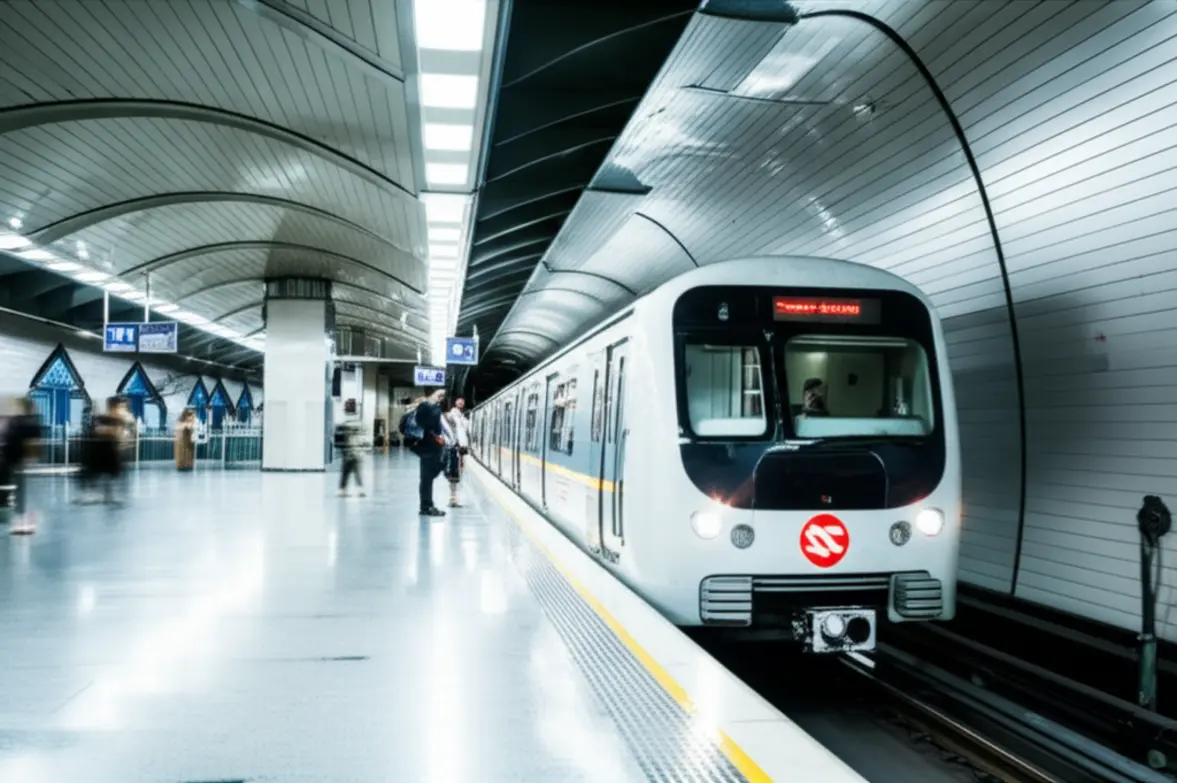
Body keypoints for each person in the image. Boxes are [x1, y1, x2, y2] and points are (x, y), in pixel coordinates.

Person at [3, 397, 42, 535]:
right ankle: (23, 519)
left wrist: (28, 459)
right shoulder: (22, 423)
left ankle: (24, 519)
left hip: (19, 461)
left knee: (23, 492)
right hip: (19, 461)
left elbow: (32, 444)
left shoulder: (23, 423)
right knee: (23, 491)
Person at [413, 389, 447, 517]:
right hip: (427, 448)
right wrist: (434, 408)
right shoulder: (426, 407)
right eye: (439, 395)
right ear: (432, 394)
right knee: (427, 479)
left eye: (443, 396)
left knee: (427, 478)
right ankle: (426, 507)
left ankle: (427, 505)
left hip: (429, 447)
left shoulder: (428, 407)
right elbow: (429, 424)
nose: (441, 398)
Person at [444, 398, 469, 508]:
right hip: (454, 448)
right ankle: (452, 500)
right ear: (455, 403)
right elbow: (449, 420)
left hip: (460, 448)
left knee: (457, 474)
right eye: (459, 401)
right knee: (453, 474)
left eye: (463, 401)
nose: (461, 403)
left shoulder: (461, 416)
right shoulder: (453, 414)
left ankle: (453, 499)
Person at [336, 420, 366, 497]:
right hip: (352, 456)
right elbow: (355, 446)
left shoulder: (345, 435)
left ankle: (342, 491)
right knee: (356, 473)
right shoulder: (351, 436)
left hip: (348, 456)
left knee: (346, 474)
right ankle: (360, 491)